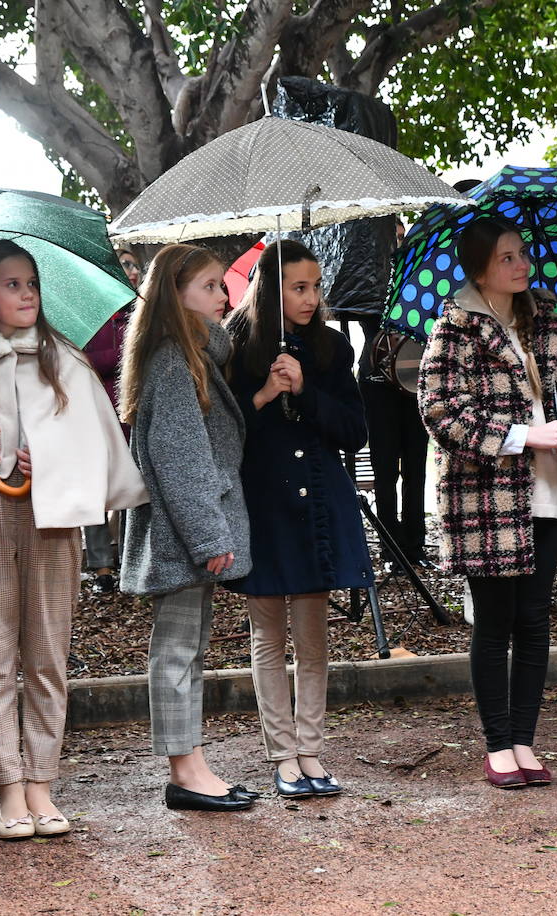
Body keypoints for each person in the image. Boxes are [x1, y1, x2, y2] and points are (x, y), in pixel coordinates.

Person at [0, 239, 147, 839]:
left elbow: (94, 440)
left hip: (52, 522)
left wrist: (50, 458)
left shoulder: (65, 361)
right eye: (11, 284)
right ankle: (9, 789)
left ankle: (43, 784)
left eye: (32, 284)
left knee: (48, 654)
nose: (27, 294)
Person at [417, 216, 557, 790]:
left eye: (523, 254)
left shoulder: (545, 318)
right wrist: (524, 436)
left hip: (549, 487)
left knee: (535, 621)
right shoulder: (456, 327)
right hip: (486, 498)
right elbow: (440, 413)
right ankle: (498, 745)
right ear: (479, 268)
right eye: (508, 258)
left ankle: (524, 740)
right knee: (494, 623)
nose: (522, 265)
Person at [224, 240, 371, 798]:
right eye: (298, 287)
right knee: (268, 632)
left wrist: (307, 389)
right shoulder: (235, 342)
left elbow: (354, 430)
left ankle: (311, 751)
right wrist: (263, 393)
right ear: (271, 288)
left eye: (315, 287)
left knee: (313, 635)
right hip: (264, 501)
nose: (310, 298)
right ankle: (281, 755)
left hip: (317, 503)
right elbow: (225, 430)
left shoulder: (332, 348)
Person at [119, 243, 257, 813]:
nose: (222, 297)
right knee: (177, 650)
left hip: (190, 530)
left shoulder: (191, 356)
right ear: (174, 296)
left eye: (221, 286)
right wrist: (209, 537)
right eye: (208, 287)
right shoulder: (174, 361)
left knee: (188, 647)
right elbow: (181, 458)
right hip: (186, 535)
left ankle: (191, 764)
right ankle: (186, 770)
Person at [358, 216, 429, 567]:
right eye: (392, 238)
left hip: (415, 379)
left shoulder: (421, 276)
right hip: (376, 380)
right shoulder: (365, 278)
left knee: (416, 466)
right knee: (384, 469)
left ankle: (416, 547)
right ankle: (390, 549)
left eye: (402, 237)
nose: (397, 244)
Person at [80, 249, 141, 593]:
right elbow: (87, 357)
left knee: (133, 486)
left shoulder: (142, 311)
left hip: (133, 413)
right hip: (98, 413)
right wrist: (125, 356)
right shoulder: (93, 314)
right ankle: (102, 566)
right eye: (125, 265)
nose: (131, 272)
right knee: (96, 488)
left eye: (134, 265)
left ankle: (129, 560)